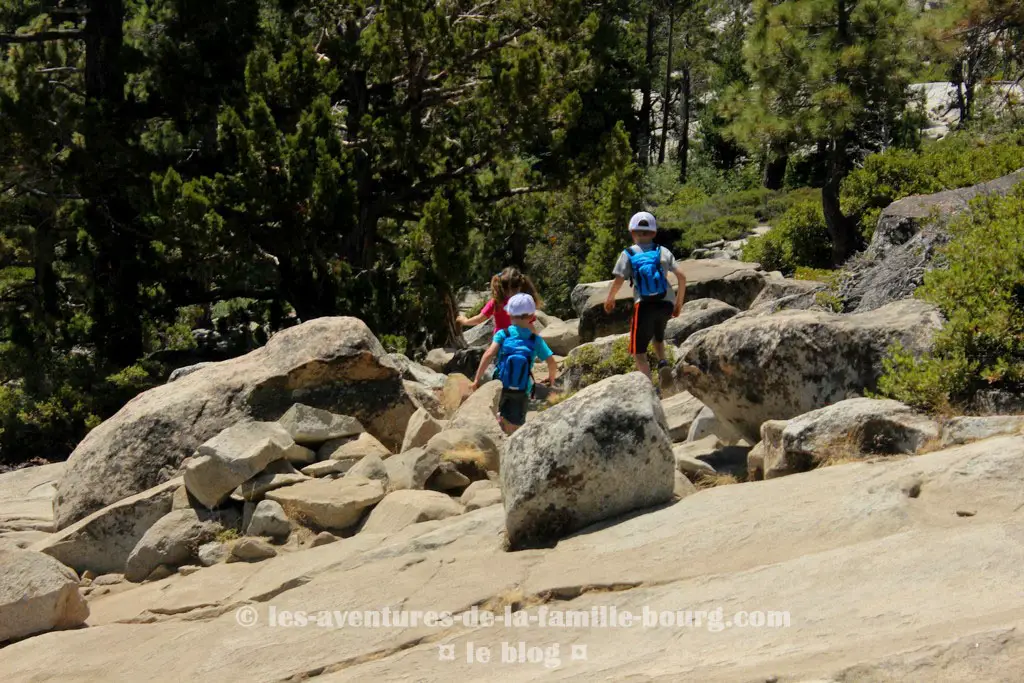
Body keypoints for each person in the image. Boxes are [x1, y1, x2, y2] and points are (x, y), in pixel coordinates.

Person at [603, 211, 686, 390]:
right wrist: (678, 304)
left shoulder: (628, 253)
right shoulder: (662, 251)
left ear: (632, 232)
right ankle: (662, 361)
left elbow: (618, 280)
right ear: (654, 233)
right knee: (658, 335)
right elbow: (682, 277)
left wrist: (610, 299)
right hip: (665, 303)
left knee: (638, 352)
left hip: (644, 305)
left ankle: (650, 390)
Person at [470, 293, 557, 434]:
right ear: (531, 316)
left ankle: (500, 423)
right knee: (518, 424)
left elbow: (488, 355)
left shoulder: (503, 334)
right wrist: (551, 379)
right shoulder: (535, 340)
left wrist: (476, 380)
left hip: (501, 385)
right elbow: (552, 363)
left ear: (509, 313)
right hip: (523, 389)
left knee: (500, 411)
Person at [456, 267, 542, 333]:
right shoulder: (525, 302)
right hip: (523, 343)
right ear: (520, 285)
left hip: (501, 342)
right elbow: (530, 325)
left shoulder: (497, 302)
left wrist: (465, 321)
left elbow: (479, 319)